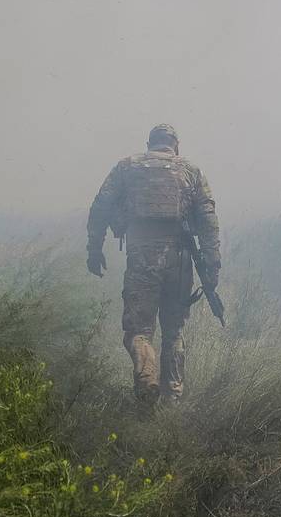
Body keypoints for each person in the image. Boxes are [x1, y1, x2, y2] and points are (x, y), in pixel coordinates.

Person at [86, 124, 221, 408]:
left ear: (149, 144)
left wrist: (94, 248)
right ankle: (172, 399)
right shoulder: (191, 170)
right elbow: (208, 218)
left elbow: (101, 206)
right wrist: (212, 265)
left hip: (142, 256)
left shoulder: (127, 167)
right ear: (176, 145)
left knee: (138, 331)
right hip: (180, 258)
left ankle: (147, 380)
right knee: (174, 332)